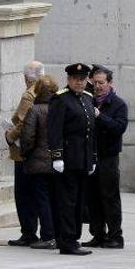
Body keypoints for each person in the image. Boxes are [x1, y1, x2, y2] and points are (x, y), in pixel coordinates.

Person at [48, 63, 97, 256]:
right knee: (67, 202)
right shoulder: (61, 99)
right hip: (67, 159)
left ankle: (73, 238)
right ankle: (67, 241)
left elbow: (91, 132)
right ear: (69, 80)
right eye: (76, 79)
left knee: (78, 201)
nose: (80, 82)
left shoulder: (87, 99)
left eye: (83, 79)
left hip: (83, 159)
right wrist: (57, 156)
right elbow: (54, 130)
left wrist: (92, 157)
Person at [83, 64, 128, 249]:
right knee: (92, 198)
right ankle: (98, 234)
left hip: (108, 157)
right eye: (95, 83)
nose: (97, 86)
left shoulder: (118, 104)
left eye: (101, 83)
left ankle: (116, 236)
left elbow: (119, 128)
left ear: (110, 83)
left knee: (110, 198)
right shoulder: (89, 100)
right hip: (91, 157)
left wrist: (100, 116)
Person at [6, 60, 45, 247]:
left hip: (24, 152)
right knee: (39, 194)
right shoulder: (50, 92)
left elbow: (23, 123)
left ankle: (28, 232)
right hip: (42, 153)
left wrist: (9, 136)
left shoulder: (29, 95)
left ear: (26, 79)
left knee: (23, 195)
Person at [20, 74, 60, 250]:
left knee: (42, 200)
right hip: (58, 162)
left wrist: (25, 153)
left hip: (38, 163)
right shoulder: (60, 109)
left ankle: (48, 236)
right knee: (54, 200)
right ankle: (56, 234)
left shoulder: (35, 110)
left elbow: (28, 137)